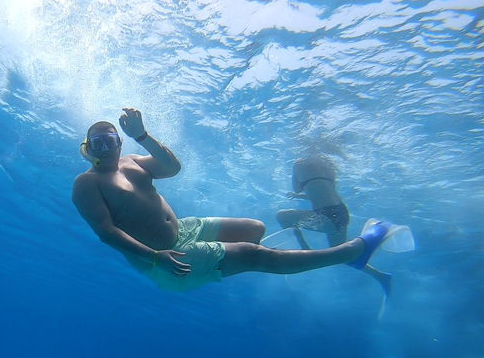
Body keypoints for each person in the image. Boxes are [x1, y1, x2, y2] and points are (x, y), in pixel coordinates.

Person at [71, 108, 392, 292]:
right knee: (255, 256)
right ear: (89, 147)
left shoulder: (133, 161)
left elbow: (172, 167)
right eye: (97, 142)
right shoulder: (86, 184)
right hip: (166, 258)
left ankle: (276, 260)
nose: (105, 148)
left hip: (185, 229)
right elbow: (107, 233)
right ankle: (351, 251)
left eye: (110, 140)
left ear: (119, 142)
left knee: (255, 228)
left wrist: (143, 136)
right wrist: (156, 258)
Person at [276, 155, 392, 296]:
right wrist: (301, 196)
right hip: (341, 213)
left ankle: (304, 249)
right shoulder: (328, 166)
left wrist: (298, 194)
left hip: (326, 216)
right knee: (341, 254)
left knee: (282, 216)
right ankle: (381, 276)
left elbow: (296, 188)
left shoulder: (299, 163)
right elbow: (323, 191)